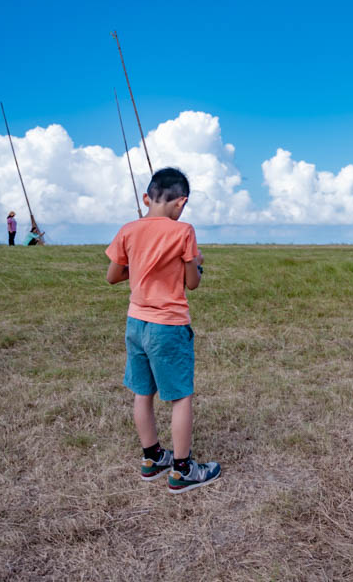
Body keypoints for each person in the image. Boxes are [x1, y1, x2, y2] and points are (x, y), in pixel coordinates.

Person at [105, 167, 219, 494]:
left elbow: (113, 276)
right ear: (181, 203)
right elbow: (192, 283)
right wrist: (196, 261)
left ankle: (152, 458)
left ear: (146, 197)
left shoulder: (128, 230)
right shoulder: (184, 231)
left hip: (135, 324)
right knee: (180, 397)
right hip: (168, 327)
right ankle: (182, 471)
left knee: (144, 392)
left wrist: (140, 268)